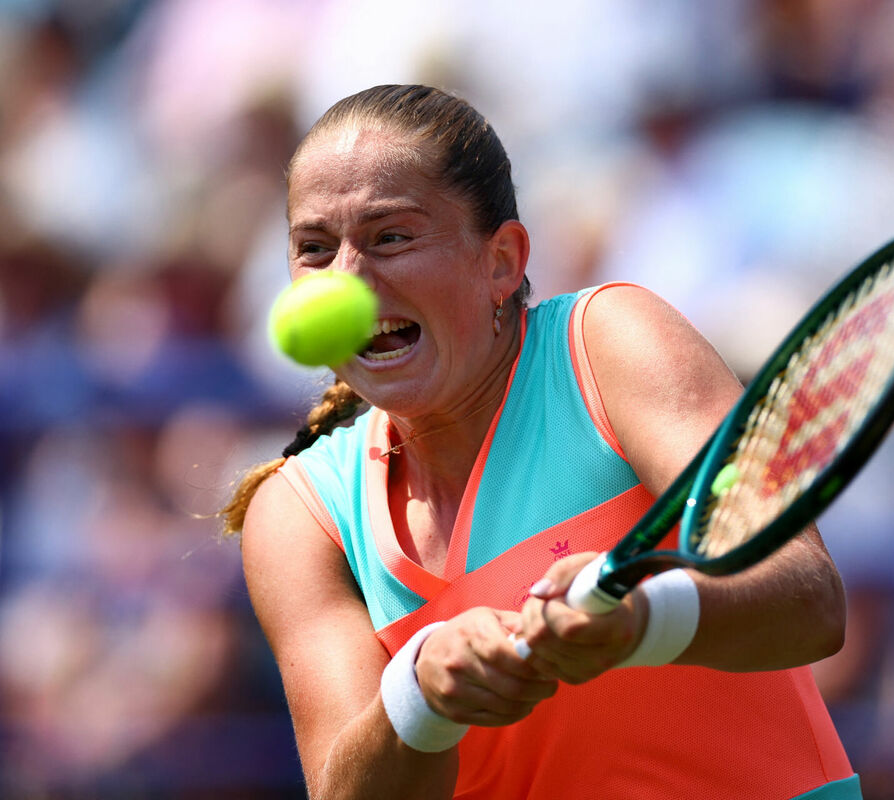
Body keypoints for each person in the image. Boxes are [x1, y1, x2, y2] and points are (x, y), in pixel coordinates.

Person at [221, 84, 861, 799]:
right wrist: (422, 694)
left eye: (390, 237)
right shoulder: (298, 515)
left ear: (502, 262)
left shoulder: (611, 344)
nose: (346, 281)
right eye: (314, 248)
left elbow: (808, 598)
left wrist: (640, 620)